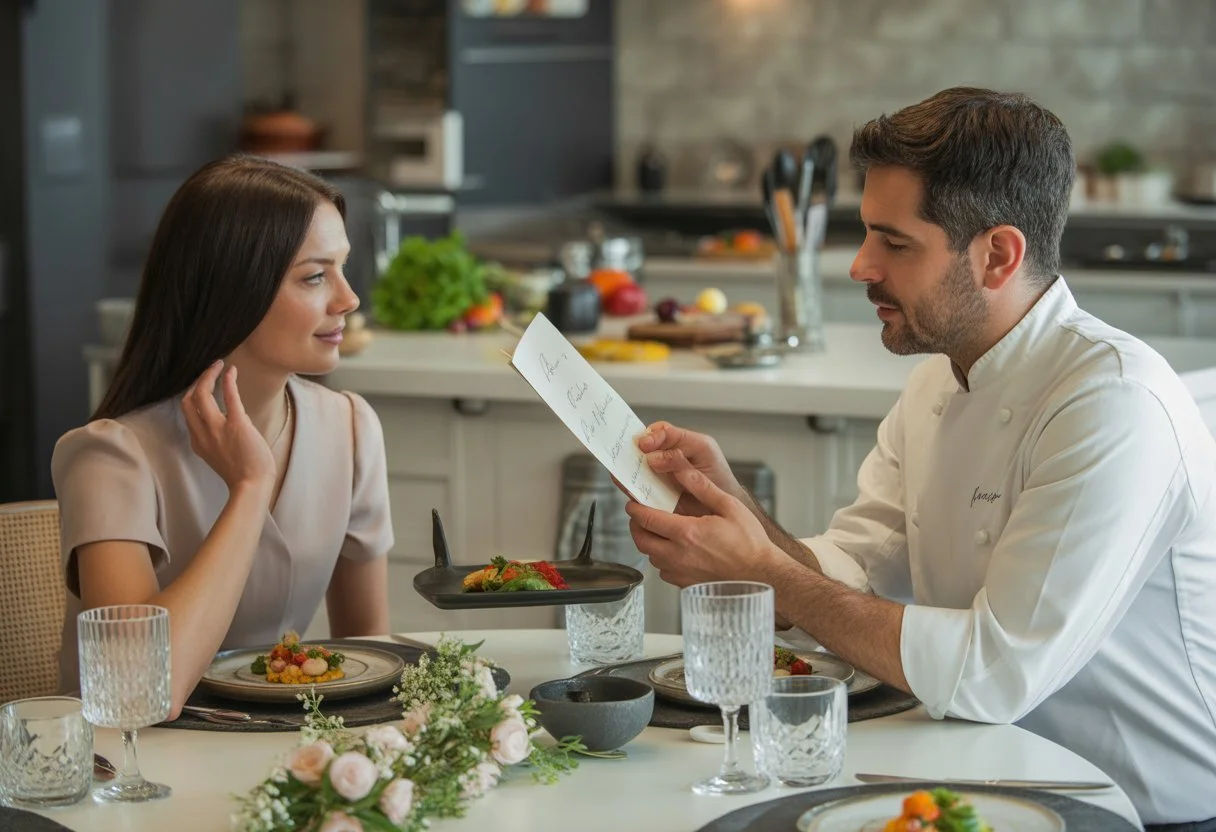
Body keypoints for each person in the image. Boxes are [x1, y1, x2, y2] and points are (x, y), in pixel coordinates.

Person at [624, 88, 1216, 830]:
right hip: (985, 777)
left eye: (894, 243)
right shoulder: (939, 375)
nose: (860, 266)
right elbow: (854, 577)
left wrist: (761, 573)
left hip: (1148, 808)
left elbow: (993, 674)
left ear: (998, 255)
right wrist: (734, 510)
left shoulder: (1113, 404)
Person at [52, 155, 393, 718]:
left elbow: (368, 660)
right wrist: (250, 487)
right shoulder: (111, 455)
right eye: (315, 276)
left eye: (342, 268)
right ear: (235, 288)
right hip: (128, 773)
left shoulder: (351, 428)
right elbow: (135, 693)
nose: (348, 299)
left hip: (276, 762)